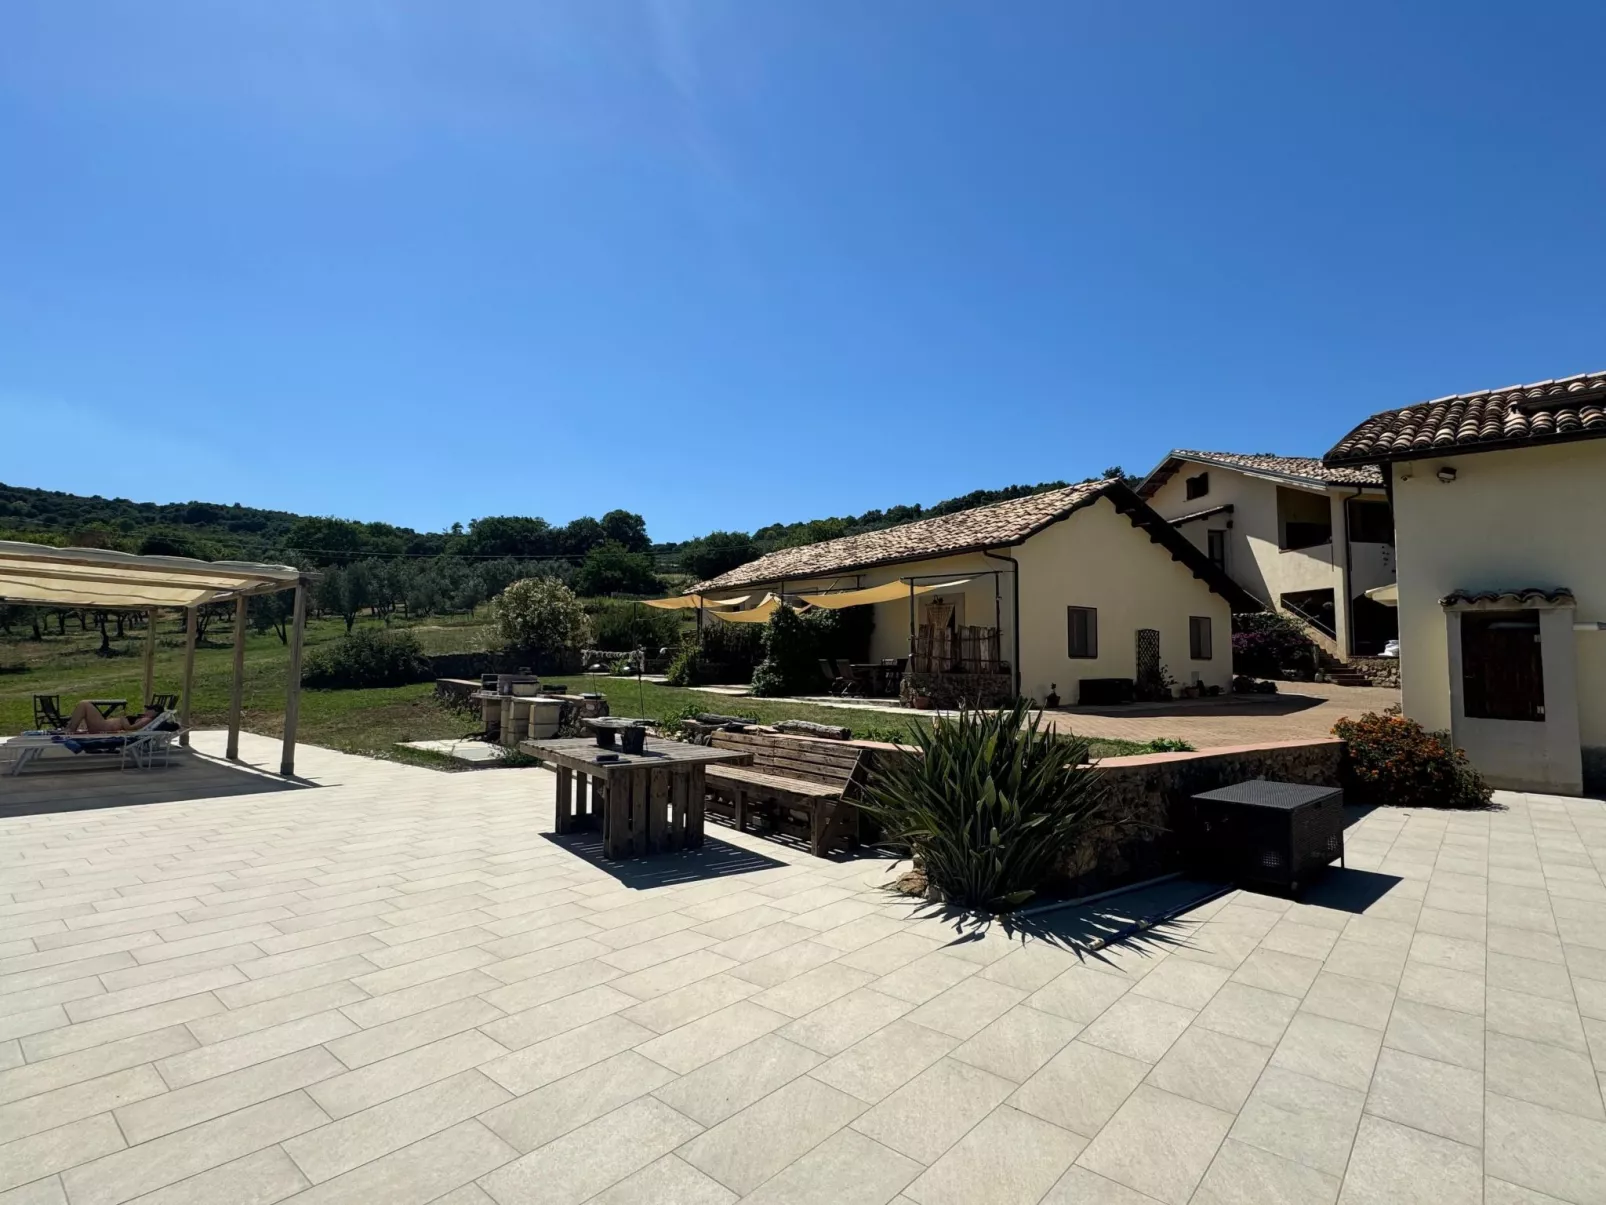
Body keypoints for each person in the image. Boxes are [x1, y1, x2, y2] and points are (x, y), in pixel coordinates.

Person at [59, 701, 159, 735]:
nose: (146, 710)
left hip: (104, 727)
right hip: (104, 725)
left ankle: (71, 729)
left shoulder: (147, 720)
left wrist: (122, 719)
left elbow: (130, 729)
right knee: (84, 705)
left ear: (155, 712)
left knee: (84, 704)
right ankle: (71, 728)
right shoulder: (144, 718)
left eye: (149, 709)